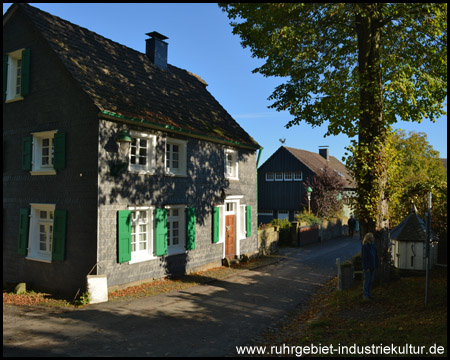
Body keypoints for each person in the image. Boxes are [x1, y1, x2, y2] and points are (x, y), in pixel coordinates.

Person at [361, 232, 378, 300]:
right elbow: (364, 258)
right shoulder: (365, 246)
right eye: (372, 238)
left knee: (371, 280)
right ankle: (365, 294)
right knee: (367, 280)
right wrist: (366, 267)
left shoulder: (373, 246)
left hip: (372, 265)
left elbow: (375, 256)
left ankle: (369, 293)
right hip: (368, 266)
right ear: (369, 239)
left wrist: (376, 264)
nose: (373, 239)